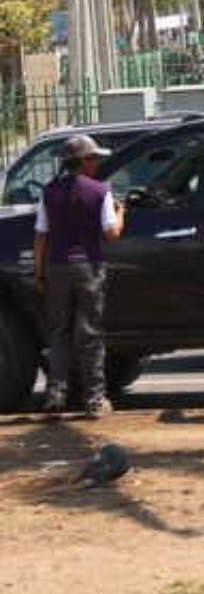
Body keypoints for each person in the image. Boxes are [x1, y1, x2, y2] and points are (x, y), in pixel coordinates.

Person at [34, 135, 125, 418]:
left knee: (59, 332)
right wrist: (122, 213)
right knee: (90, 333)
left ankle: (56, 394)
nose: (97, 163)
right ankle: (95, 399)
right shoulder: (100, 191)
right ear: (84, 161)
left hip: (57, 267)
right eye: (94, 158)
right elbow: (111, 233)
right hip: (88, 267)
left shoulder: (49, 192)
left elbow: (41, 235)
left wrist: (39, 272)